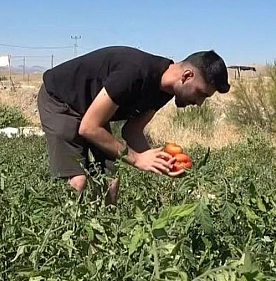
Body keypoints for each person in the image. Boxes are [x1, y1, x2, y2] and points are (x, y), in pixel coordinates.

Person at [37, 45, 230, 205]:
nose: (199, 103)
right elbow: (89, 128)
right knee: (78, 182)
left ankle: (104, 241)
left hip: (91, 111)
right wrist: (137, 159)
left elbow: (132, 131)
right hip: (61, 101)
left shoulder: (163, 91)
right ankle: (65, 239)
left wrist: (160, 162)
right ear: (187, 76)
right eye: (201, 93)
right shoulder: (134, 73)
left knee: (110, 181)